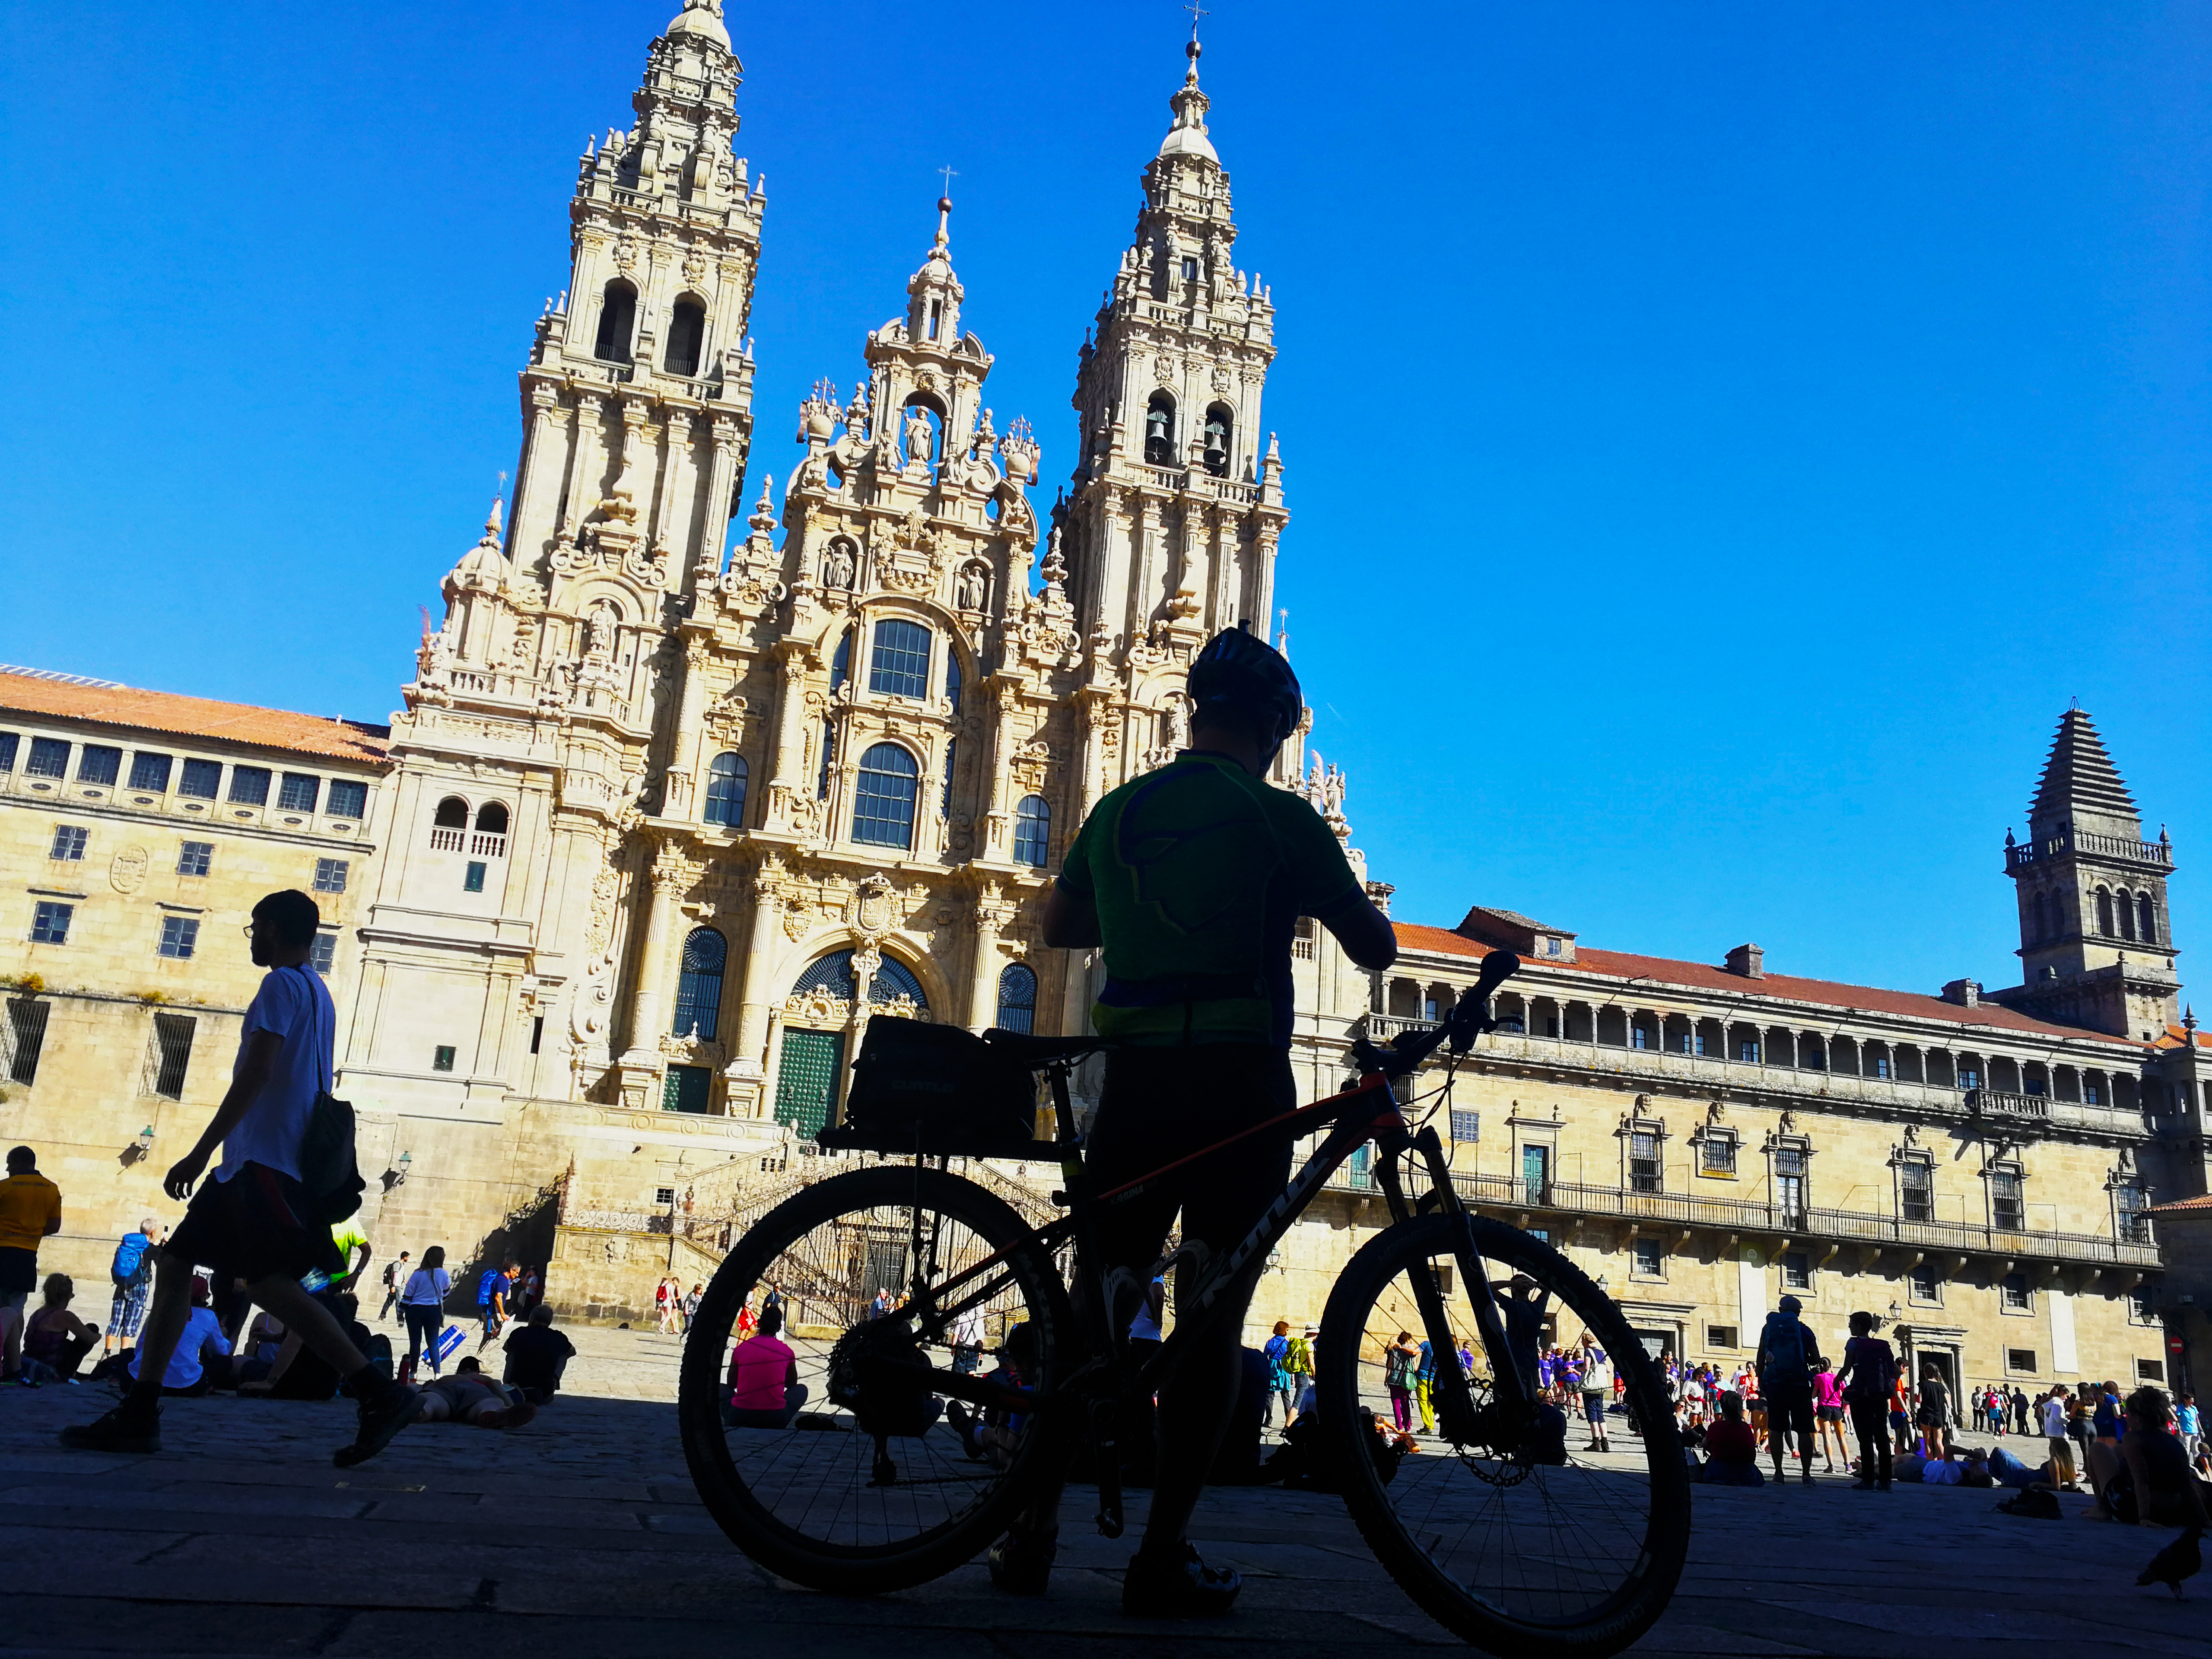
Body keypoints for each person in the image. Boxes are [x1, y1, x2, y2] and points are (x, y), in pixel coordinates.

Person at [1011, 624, 1397, 1617]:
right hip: (1237, 1086)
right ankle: (1161, 1551)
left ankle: (1030, 1531)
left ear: (1194, 712)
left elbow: (1057, 928)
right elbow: (1371, 946)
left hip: (1132, 1085)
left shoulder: (1118, 810)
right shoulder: (1283, 820)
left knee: (1089, 1310)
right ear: (1274, 727)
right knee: (1211, 1313)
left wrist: (1145, 913)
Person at [60, 890, 419, 1463]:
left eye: (254, 927)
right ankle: (140, 1409)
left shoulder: (279, 986)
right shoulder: (318, 992)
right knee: (180, 1267)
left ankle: (377, 1391)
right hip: (267, 1165)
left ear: (273, 929)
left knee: (266, 1284)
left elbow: (258, 1070)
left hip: (258, 1164)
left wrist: (200, 1151)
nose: (252, 937)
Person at [2088, 1386, 2212, 1529]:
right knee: (2117, 1450)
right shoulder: (2174, 1443)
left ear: (2138, 1418)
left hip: (2135, 1506)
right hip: (2170, 1509)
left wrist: (2144, 1518)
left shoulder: (2133, 1438)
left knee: (2097, 1449)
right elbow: (2187, 1486)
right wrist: (2205, 1520)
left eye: (2129, 1415)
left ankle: (2101, 1509)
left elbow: (2141, 1481)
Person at [93, 1273, 230, 1396]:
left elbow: (141, 1347)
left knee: (128, 1353)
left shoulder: (160, 1309)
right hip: (186, 1387)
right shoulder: (208, 1316)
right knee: (224, 1362)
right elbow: (222, 1350)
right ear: (203, 1296)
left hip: (142, 1382)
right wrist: (222, 1334)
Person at [0, 1145, 63, 1381]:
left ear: (17, 1163)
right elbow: (54, 1226)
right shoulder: (51, 1189)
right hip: (27, 1255)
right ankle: (12, 1363)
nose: (7, 1169)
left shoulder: (4, 1188)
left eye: (9, 1164)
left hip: (2, 1251)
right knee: (17, 1309)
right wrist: (31, 1233)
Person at [1754, 1295, 1818, 1485]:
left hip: (1776, 1383)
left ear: (1781, 1310)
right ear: (1798, 1313)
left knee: (1776, 1428)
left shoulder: (1769, 1329)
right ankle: (1806, 1474)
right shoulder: (1804, 1330)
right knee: (1805, 1430)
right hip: (1799, 1384)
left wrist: (1761, 1380)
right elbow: (1815, 1358)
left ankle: (1779, 1474)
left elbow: (1760, 1356)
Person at [1835, 1311, 1896, 1491]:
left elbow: (1847, 1368)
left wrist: (1837, 1380)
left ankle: (1868, 1480)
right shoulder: (1882, 1345)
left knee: (1865, 1438)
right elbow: (1893, 1370)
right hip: (1879, 1395)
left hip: (1861, 1395)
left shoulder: (1853, 1343)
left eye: (1852, 1323)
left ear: (1859, 1326)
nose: (1849, 1326)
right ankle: (1886, 1481)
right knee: (1882, 1437)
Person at [723, 1302, 807, 1428]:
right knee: (801, 1390)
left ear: (759, 1324)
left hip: (740, 1415)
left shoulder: (741, 1349)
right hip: (775, 1418)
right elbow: (792, 1384)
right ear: (779, 1327)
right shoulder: (787, 1352)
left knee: (720, 1389)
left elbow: (731, 1383)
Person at [19, 1273, 101, 1384]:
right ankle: (67, 1374)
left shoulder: (37, 1314)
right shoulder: (64, 1316)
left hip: (29, 1360)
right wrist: (99, 1336)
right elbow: (92, 1339)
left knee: (64, 1342)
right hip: (49, 1366)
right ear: (67, 1297)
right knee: (92, 1328)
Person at [415, 1355, 537, 1430]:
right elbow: (509, 1404)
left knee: (432, 1399)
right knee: (491, 1403)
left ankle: (422, 1411)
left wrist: (426, 1389)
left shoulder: (449, 1378)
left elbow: (431, 1387)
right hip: (477, 1394)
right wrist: (489, 1381)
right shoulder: (484, 1381)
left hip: (446, 1391)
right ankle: (495, 1413)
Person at [105, 1217, 161, 1357]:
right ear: (153, 1232)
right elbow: (162, 1262)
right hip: (139, 1287)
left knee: (117, 1317)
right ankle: (124, 1353)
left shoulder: (129, 1243)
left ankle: (107, 1352)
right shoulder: (150, 1248)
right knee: (131, 1319)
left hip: (122, 1283)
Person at [502, 1305, 577, 1402]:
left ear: (532, 1319)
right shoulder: (559, 1337)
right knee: (563, 1354)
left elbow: (506, 1348)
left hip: (516, 1389)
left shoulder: (519, 1333)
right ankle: (553, 1383)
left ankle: (510, 1383)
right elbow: (573, 1352)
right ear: (550, 1321)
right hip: (544, 1393)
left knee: (512, 1350)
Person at [400, 1246, 452, 1379]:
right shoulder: (444, 1274)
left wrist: (401, 1310)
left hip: (415, 1310)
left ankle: (413, 1372)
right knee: (434, 1342)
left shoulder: (418, 1273)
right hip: (433, 1310)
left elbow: (408, 1294)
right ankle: (438, 1373)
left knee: (415, 1342)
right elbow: (446, 1293)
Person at [1695, 1392, 1763, 1485]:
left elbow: (1705, 1444)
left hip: (1720, 1471)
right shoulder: (1746, 1428)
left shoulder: (1715, 1427)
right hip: (1745, 1472)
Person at [1577, 1332, 1614, 1453]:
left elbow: (1587, 1367)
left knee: (1592, 1415)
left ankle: (1596, 1442)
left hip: (1591, 1387)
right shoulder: (1601, 1352)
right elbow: (1609, 1369)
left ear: (1586, 1342)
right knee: (1600, 1415)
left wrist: (1580, 1369)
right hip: (1601, 1387)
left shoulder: (1588, 1352)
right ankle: (1606, 1443)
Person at [1812, 1357, 1849, 1473]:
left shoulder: (1819, 1378)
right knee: (1842, 1438)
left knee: (1827, 1438)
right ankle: (1848, 1465)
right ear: (1831, 1367)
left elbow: (1814, 1394)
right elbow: (1846, 1392)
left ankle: (1831, 1466)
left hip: (1824, 1407)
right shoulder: (1838, 1378)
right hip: (1837, 1408)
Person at [1261, 1321, 1295, 1430]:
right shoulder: (1287, 1344)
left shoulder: (1270, 1342)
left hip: (1271, 1369)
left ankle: (1268, 1420)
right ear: (1283, 1330)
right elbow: (1289, 1357)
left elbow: (1264, 1356)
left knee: (1270, 1396)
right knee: (1286, 1397)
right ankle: (1289, 1421)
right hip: (1283, 1369)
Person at [477, 1260, 519, 1349]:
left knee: (487, 1337)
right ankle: (480, 1358)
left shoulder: (500, 1278)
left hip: (487, 1311)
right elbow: (498, 1297)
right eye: (517, 1273)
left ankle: (479, 1361)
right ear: (512, 1270)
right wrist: (502, 1314)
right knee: (498, 1337)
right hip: (493, 1313)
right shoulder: (503, 1280)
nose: (517, 1275)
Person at [1384, 1332, 1420, 1433]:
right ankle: (1407, 1426)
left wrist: (1387, 1378)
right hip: (1406, 1381)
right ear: (1408, 1340)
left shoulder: (1395, 1351)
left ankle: (1399, 1426)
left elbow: (1390, 1366)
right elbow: (1415, 1367)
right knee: (1405, 1403)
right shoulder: (1411, 1352)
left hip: (1394, 1380)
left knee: (1396, 1404)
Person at [1915, 1365, 1951, 1460]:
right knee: (1939, 1442)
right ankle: (1947, 1461)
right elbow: (1947, 1402)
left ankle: (1931, 1463)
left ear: (1925, 1373)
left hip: (1926, 1415)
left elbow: (1919, 1400)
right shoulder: (1941, 1386)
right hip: (1938, 1415)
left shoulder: (1922, 1384)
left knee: (1927, 1442)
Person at [378, 1251, 412, 1324]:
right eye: (408, 1258)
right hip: (396, 1286)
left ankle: (382, 1316)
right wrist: (393, 1286)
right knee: (399, 1302)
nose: (408, 1259)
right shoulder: (397, 1264)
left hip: (398, 1285)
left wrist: (405, 1281)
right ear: (405, 1257)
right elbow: (395, 1275)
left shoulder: (402, 1265)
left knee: (389, 1301)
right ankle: (400, 1319)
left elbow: (400, 1276)